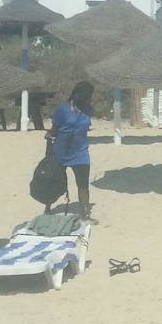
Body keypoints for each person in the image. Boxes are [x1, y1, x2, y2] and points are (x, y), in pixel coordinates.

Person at [47, 81, 94, 220]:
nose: (87, 98)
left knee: (83, 184)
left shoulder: (88, 109)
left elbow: (85, 127)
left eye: (89, 96)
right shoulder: (62, 109)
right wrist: (49, 134)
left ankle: (85, 214)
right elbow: (55, 128)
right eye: (85, 95)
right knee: (54, 181)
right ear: (76, 93)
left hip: (80, 152)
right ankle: (47, 209)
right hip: (61, 151)